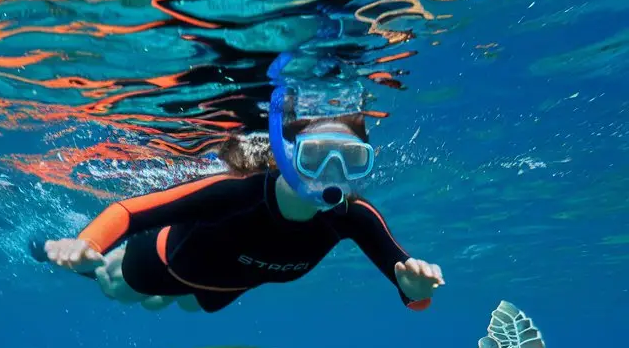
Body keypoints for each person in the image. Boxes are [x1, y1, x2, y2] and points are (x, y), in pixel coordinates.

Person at [39, 91, 444, 314]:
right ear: (284, 154)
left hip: (218, 291)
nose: (330, 173)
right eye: (315, 156)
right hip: (160, 263)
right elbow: (128, 211)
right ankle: (48, 250)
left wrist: (413, 289)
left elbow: (413, 293)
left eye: (351, 160)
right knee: (120, 288)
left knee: (184, 307)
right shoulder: (238, 192)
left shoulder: (352, 217)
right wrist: (88, 243)